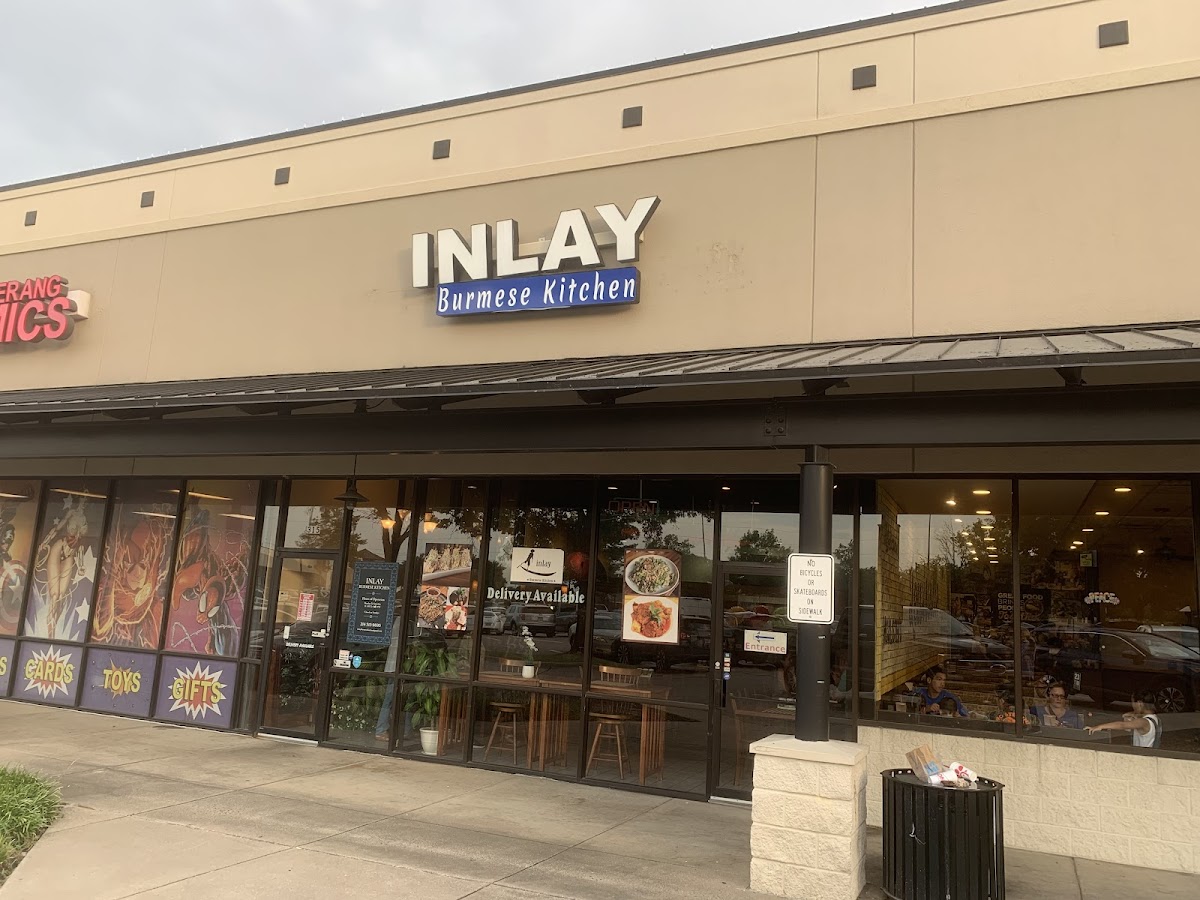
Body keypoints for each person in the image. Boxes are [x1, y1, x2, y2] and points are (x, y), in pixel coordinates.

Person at [1085, 690, 1161, 748]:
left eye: (1133, 703)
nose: (1133, 706)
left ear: (1139, 703)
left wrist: (1099, 727)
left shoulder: (1144, 722)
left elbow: (1122, 725)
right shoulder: (1154, 718)